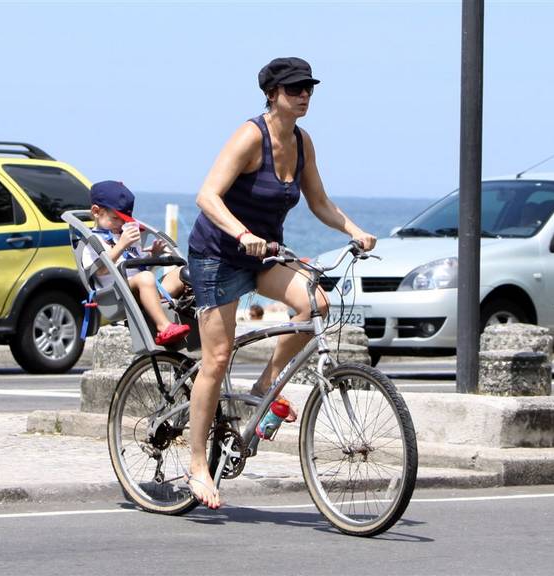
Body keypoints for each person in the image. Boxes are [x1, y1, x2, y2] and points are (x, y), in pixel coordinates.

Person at [185, 57, 377, 508]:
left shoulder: (303, 142)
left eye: (308, 87)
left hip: (264, 255)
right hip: (217, 255)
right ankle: (197, 466)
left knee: (317, 303)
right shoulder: (251, 135)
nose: (304, 95)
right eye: (294, 88)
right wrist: (242, 234)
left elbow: (320, 202)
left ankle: (263, 387)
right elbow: (206, 195)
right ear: (273, 94)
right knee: (216, 357)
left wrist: (353, 230)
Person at [82, 180, 190, 346]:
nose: (120, 224)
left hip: (142, 291)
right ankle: (164, 327)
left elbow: (142, 272)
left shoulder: (127, 237)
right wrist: (121, 245)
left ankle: (197, 318)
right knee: (145, 278)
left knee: (184, 273)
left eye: (124, 220)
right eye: (115, 218)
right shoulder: (93, 241)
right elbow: (100, 271)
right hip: (115, 296)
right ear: (96, 211)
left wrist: (153, 256)